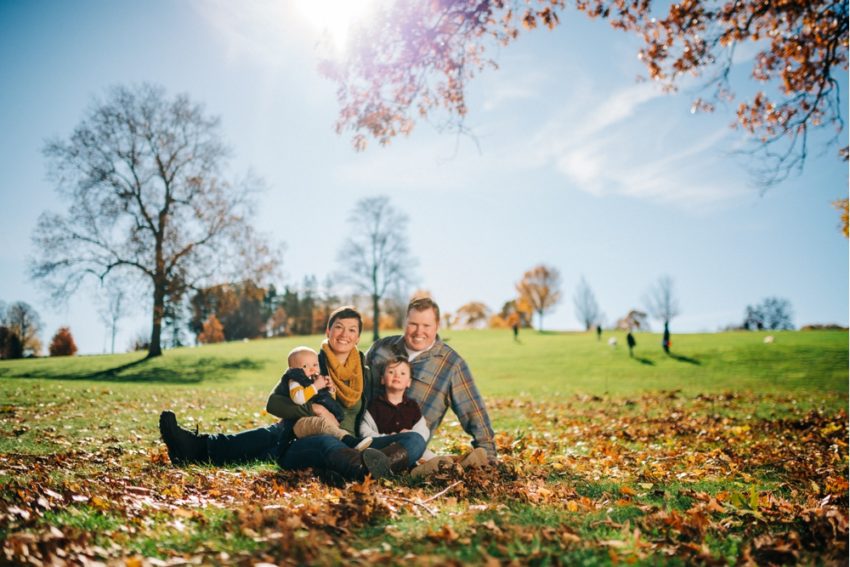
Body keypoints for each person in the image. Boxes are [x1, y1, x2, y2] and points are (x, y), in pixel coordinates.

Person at [159, 306, 425, 482]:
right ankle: (365, 471)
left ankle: (368, 467)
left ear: (357, 338)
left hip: (357, 444)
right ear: (328, 332)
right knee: (321, 442)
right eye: (339, 327)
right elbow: (275, 402)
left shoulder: (365, 372)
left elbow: (382, 408)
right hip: (308, 439)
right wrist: (313, 410)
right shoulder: (309, 362)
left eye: (352, 329)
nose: (344, 334)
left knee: (414, 440)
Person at [366, 296, 497, 461]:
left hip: (405, 451)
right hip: (365, 437)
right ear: (405, 323)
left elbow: (474, 413)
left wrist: (489, 458)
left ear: (437, 326)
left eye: (426, 325)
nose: (419, 332)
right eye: (413, 324)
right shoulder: (380, 348)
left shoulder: (451, 365)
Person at [360, 354, 488, 479]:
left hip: (415, 450)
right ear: (382, 379)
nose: (397, 376)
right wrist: (395, 438)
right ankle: (448, 467)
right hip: (390, 453)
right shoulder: (374, 407)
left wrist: (412, 436)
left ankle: (460, 462)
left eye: (403, 373)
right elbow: (365, 433)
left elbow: (422, 431)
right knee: (430, 462)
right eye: (391, 372)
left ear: (409, 382)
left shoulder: (412, 407)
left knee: (432, 456)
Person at [283, 346, 372, 451]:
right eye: (305, 366)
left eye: (315, 365)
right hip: (298, 423)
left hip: (316, 418)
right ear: (293, 369)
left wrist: (330, 390)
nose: (312, 369)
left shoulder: (313, 380)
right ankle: (350, 442)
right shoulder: (294, 381)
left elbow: (325, 400)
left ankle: (349, 445)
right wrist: (316, 386)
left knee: (329, 427)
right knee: (322, 424)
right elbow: (298, 398)